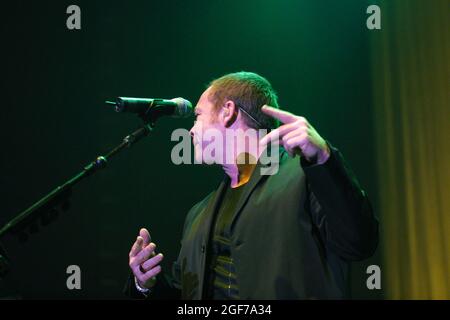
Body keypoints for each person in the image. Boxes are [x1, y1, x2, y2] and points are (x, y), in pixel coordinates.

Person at [124, 71, 378, 299]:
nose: (191, 131)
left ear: (228, 111)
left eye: (197, 117)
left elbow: (359, 242)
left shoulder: (305, 176)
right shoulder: (198, 215)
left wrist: (324, 158)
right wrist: (145, 284)